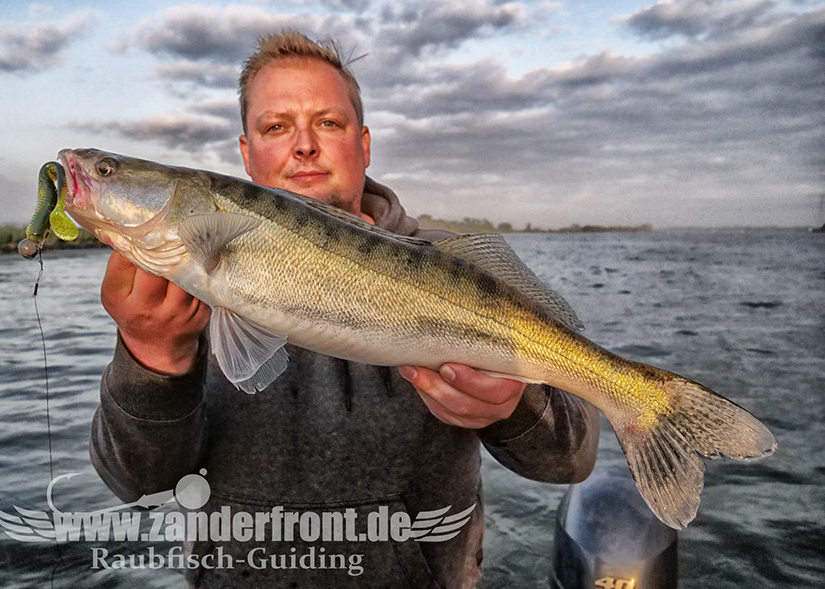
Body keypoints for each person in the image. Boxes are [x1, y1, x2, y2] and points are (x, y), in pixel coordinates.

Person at [90, 31, 599, 588]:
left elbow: (571, 461)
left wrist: (513, 406)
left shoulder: (450, 264)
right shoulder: (179, 290)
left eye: (328, 123)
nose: (304, 145)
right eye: (276, 126)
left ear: (364, 143)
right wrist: (152, 358)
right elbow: (138, 486)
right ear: (246, 153)